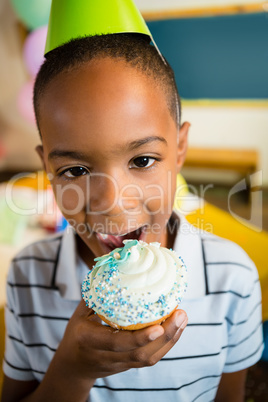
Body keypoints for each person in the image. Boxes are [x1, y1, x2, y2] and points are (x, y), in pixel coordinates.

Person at [1, 32, 263, 402]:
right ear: (47, 166)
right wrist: (72, 371)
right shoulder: (27, 275)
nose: (111, 202)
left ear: (180, 148)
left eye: (142, 160)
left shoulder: (233, 276)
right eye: (75, 170)